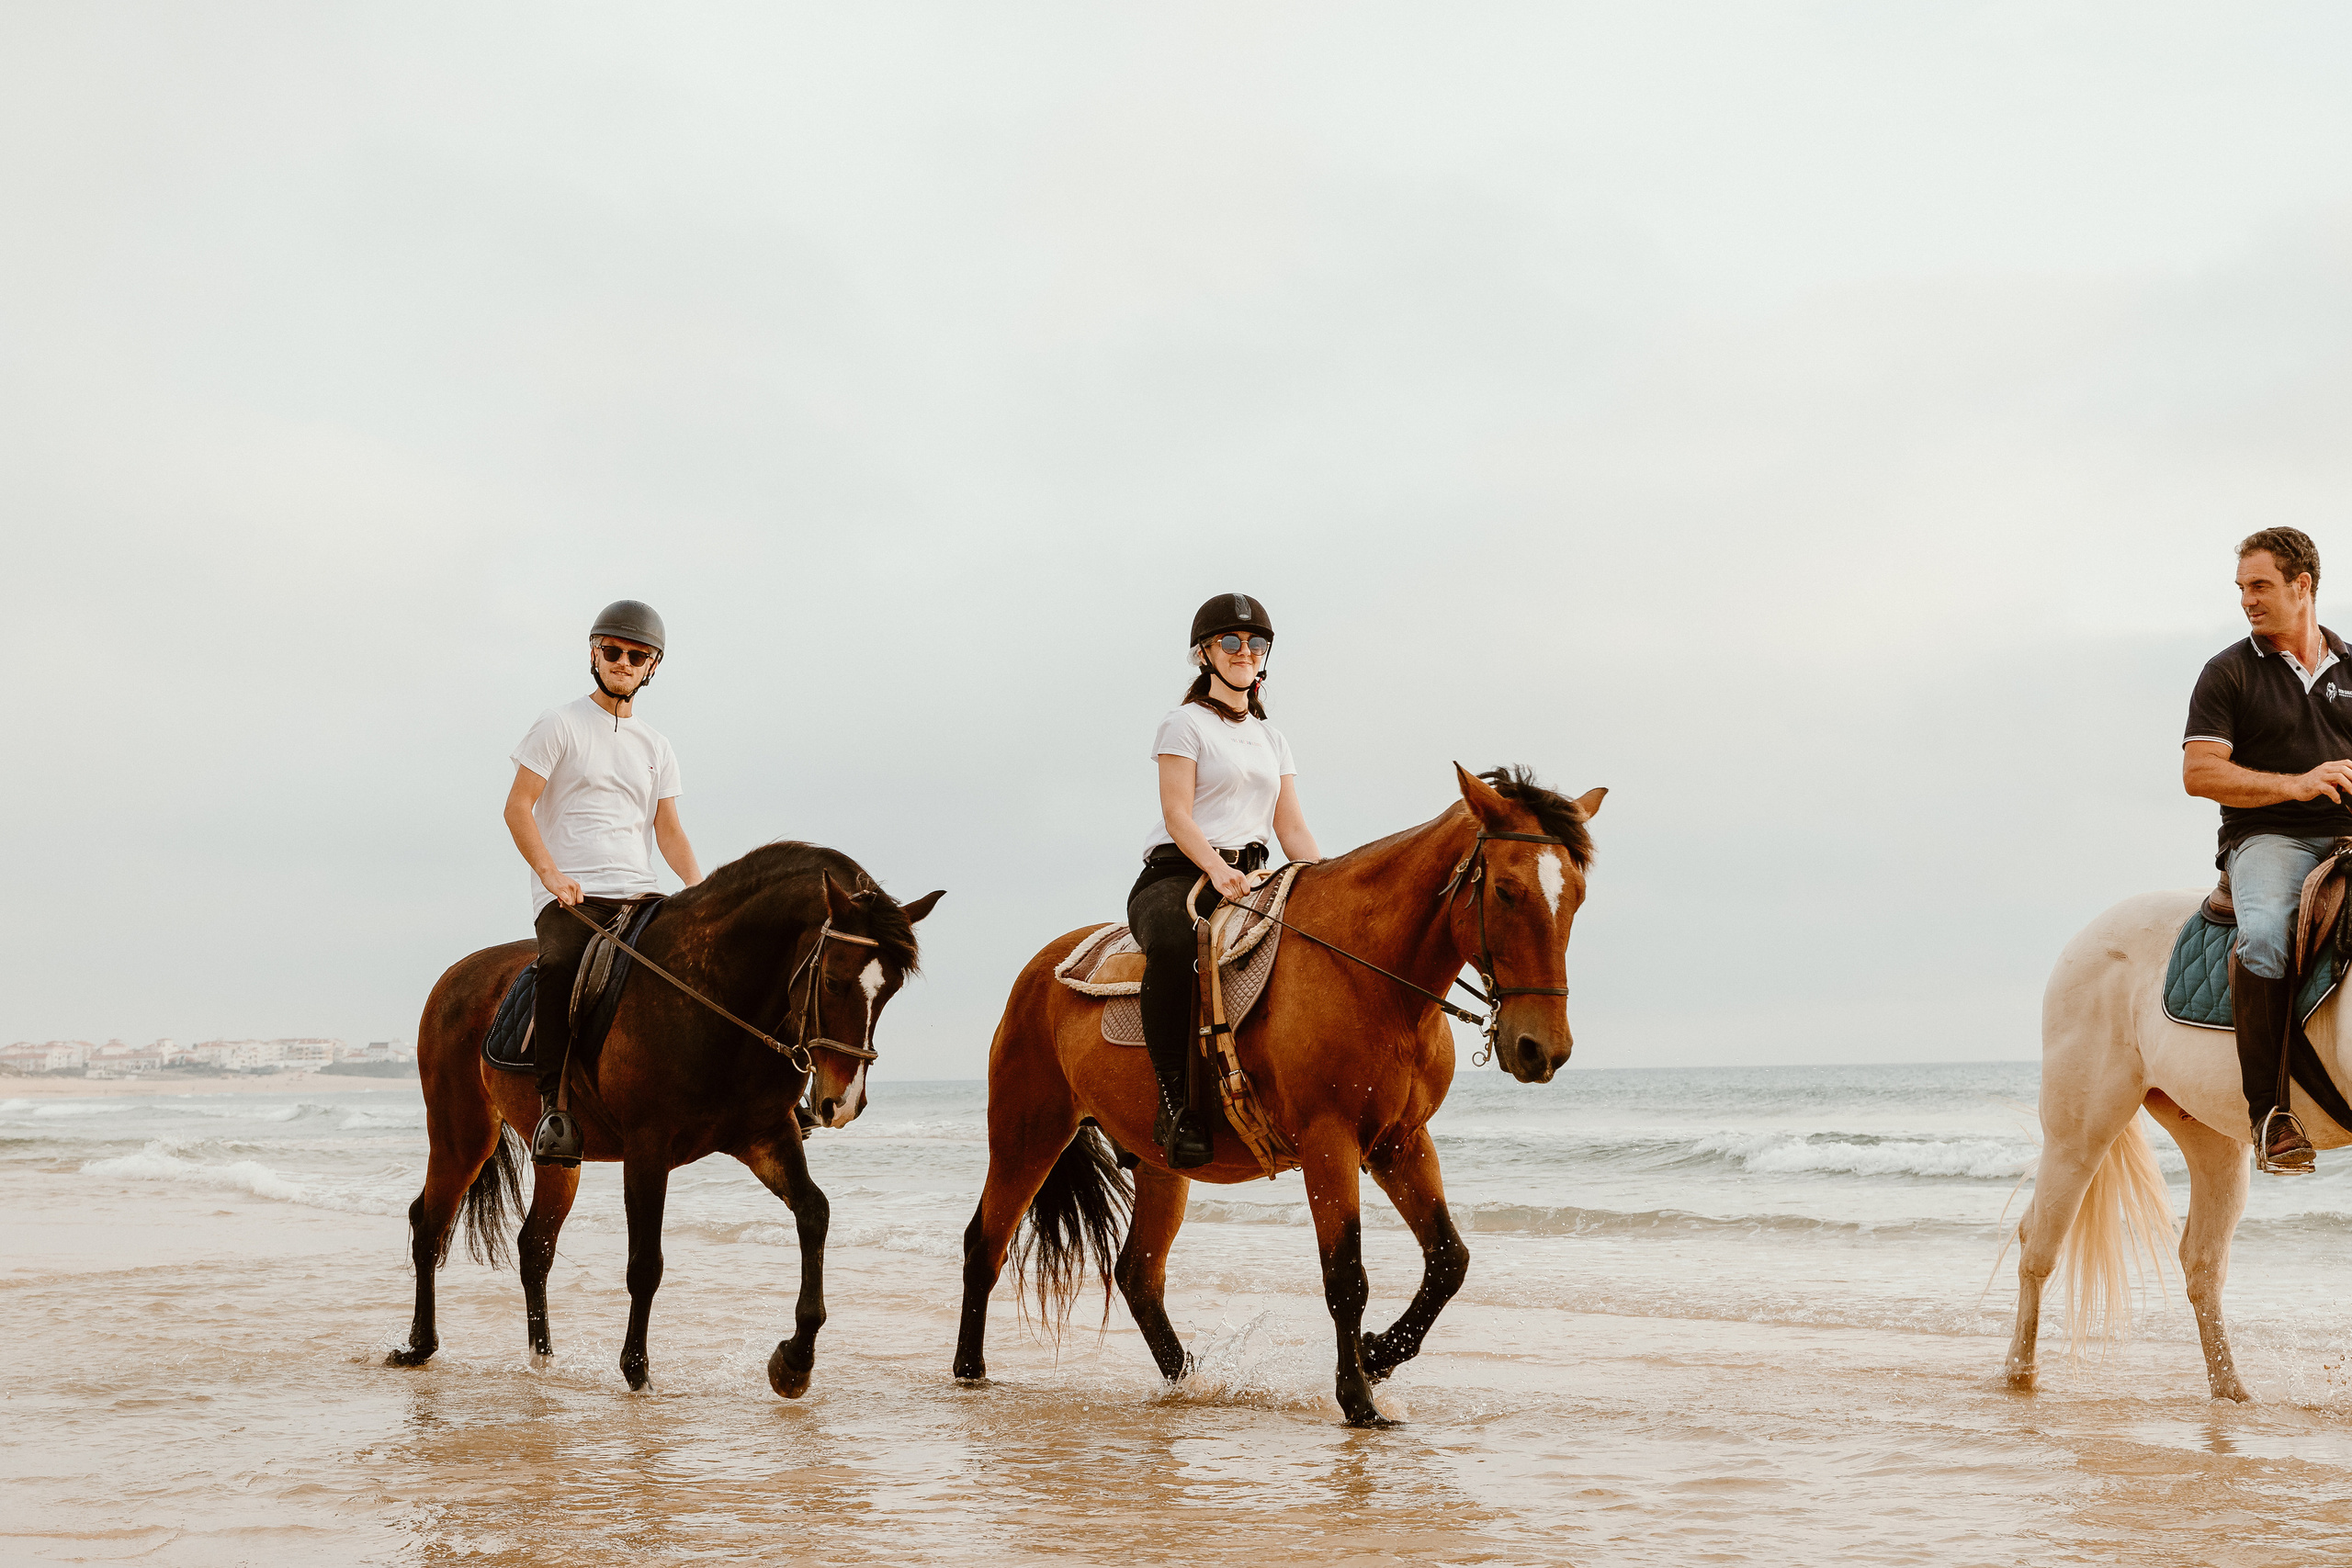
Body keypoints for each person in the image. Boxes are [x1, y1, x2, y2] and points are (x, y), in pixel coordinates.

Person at [503, 600, 703, 1165]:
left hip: (640, 891)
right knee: (561, 966)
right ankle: (554, 1109)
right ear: (594, 654)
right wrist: (551, 875)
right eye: (612, 651)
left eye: (636, 655)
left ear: (651, 667)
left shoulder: (657, 746)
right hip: (571, 895)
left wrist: (697, 887)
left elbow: (668, 828)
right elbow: (518, 807)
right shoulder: (558, 724)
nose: (622, 662)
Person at [1130, 593, 1322, 1168]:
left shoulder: (1273, 738)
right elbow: (1178, 816)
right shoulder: (1182, 724)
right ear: (1204, 654)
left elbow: (1290, 826)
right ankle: (1174, 1102)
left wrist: (1325, 882)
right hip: (1179, 872)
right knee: (1171, 946)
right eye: (1232, 642)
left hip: (1254, 872)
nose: (1246, 652)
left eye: (1256, 644)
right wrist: (1217, 869)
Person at [2183, 528, 2352, 1175]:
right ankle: (2271, 1116)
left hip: (2350, 833)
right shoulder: (2228, 672)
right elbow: (2200, 774)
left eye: (2260, 585)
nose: (2248, 600)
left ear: (2301, 584)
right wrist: (2298, 783)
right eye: (2242, 589)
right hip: (2269, 838)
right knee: (2264, 937)